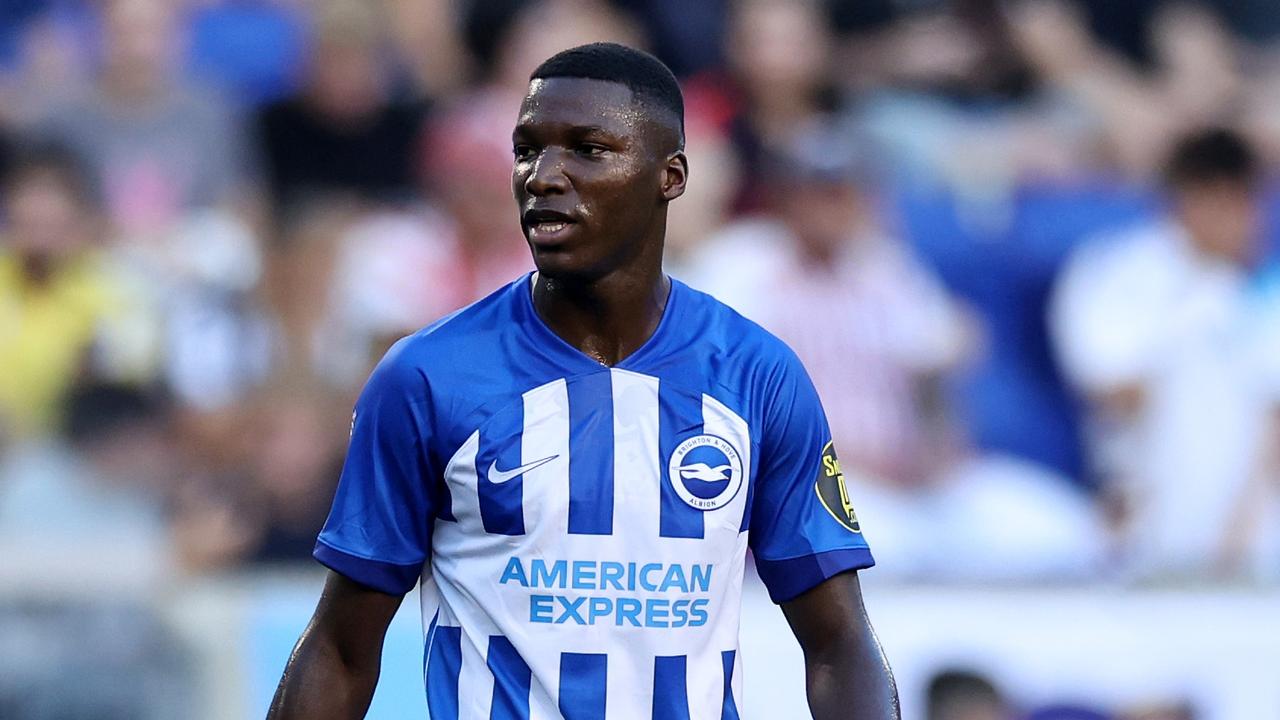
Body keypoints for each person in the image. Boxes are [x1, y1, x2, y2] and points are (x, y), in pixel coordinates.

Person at [268, 43, 898, 719]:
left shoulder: (757, 377)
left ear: (671, 176)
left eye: (587, 149)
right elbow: (340, 648)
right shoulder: (426, 377)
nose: (543, 175)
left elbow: (838, 642)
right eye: (527, 148)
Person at [1051, 127, 1280, 580]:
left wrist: (1245, 523)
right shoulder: (1118, 273)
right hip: (1151, 512)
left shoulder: (1250, 289)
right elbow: (1109, 390)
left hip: (1249, 524)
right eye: (1249, 205)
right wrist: (1184, 337)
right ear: (1209, 196)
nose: (1257, 222)